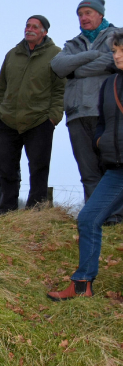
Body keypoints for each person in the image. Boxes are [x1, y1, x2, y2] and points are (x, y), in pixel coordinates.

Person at [48, 30, 123, 301]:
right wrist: (102, 139)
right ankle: (82, 284)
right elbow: (104, 119)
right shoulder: (111, 83)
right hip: (116, 169)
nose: (116, 56)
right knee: (88, 218)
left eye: (121, 51)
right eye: (114, 51)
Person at [51, 0, 121, 225]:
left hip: (108, 114)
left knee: (114, 169)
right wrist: (92, 56)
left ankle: (117, 218)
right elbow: (59, 66)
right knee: (88, 172)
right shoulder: (72, 43)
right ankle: (96, 219)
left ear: (100, 14)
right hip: (77, 114)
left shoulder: (117, 36)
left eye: (88, 13)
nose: (83, 18)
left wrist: (77, 68)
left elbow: (113, 61)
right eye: (80, 14)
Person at [0, 15, 65, 214]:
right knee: (6, 168)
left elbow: (60, 90)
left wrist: (53, 117)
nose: (29, 29)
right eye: (27, 25)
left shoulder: (56, 55)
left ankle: (36, 210)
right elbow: (1, 86)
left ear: (44, 32)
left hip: (39, 120)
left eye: (35, 26)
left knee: (39, 168)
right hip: (7, 120)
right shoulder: (12, 54)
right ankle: (6, 208)